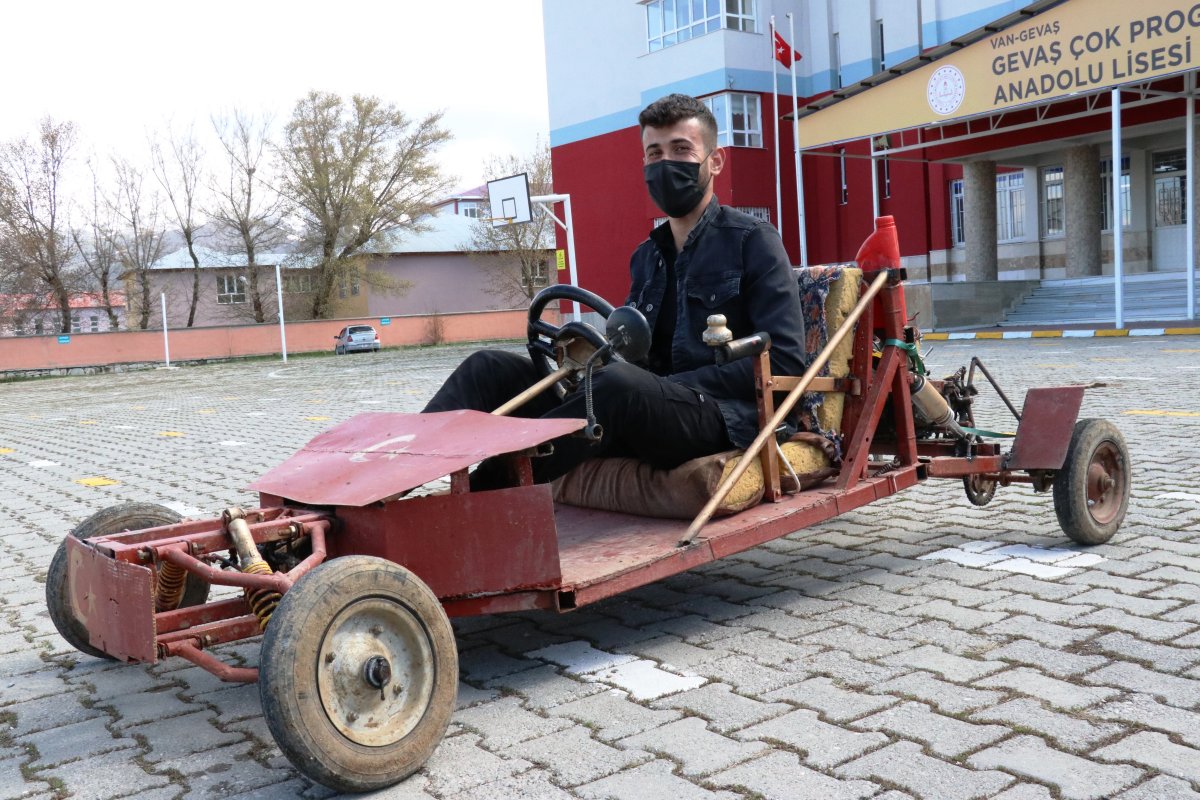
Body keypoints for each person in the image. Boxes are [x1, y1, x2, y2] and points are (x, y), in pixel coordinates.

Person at [423, 93, 807, 490]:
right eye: (654, 153)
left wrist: (668, 385)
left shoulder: (753, 241)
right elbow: (631, 353)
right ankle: (391, 475)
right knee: (489, 367)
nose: (666, 164)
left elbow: (785, 361)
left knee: (620, 386)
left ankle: (478, 496)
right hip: (639, 407)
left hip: (722, 416)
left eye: (681, 149)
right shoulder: (646, 257)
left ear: (715, 161)